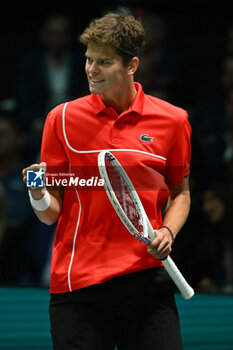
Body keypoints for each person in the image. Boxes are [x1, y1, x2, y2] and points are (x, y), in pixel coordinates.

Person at [22, 12, 191, 350]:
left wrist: (167, 231)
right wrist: (38, 193)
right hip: (79, 284)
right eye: (88, 59)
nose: (91, 69)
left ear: (132, 65)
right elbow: (50, 214)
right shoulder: (62, 119)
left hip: (145, 279)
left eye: (104, 61)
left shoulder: (173, 120)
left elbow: (180, 193)